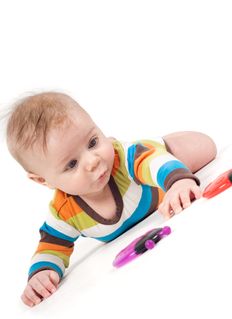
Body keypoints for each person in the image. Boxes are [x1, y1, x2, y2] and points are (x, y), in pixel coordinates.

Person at [6, 92, 217, 307]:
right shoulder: (65, 212)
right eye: (71, 164)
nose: (93, 161)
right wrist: (41, 273)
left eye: (93, 142)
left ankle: (165, 145)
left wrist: (177, 182)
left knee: (204, 147)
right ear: (43, 180)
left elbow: (154, 163)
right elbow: (51, 247)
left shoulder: (122, 159)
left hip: (153, 165)